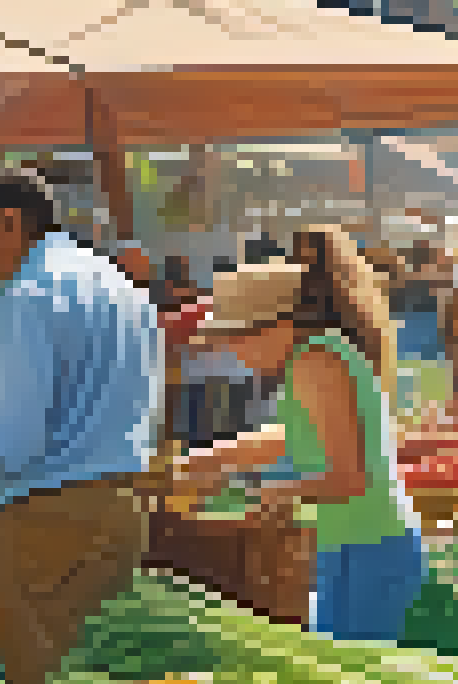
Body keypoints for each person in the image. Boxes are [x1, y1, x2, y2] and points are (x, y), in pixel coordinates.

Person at [0, 170, 161, 684]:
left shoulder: (29, 295)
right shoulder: (121, 287)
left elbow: (13, 437)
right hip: (122, 504)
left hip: (44, 514)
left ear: (10, 222)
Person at [168, 227, 425, 642]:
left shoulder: (316, 362)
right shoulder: (314, 357)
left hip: (369, 549)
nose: (233, 353)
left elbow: (349, 478)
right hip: (355, 546)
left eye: (237, 338)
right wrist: (208, 461)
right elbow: (294, 440)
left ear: (279, 325)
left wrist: (274, 493)